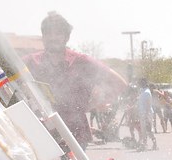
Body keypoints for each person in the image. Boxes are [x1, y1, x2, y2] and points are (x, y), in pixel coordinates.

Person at [25, 11, 127, 147]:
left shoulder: (81, 62)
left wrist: (94, 104)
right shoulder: (31, 62)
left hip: (75, 135)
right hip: (39, 135)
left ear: (66, 37)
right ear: (43, 37)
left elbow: (119, 83)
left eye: (58, 33)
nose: (52, 37)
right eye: (48, 33)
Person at [136, 79, 158, 151]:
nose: (138, 85)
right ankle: (144, 145)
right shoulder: (142, 92)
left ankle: (155, 144)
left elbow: (148, 105)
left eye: (139, 83)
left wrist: (146, 115)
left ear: (143, 83)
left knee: (148, 129)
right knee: (144, 130)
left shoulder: (147, 93)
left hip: (147, 113)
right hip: (143, 113)